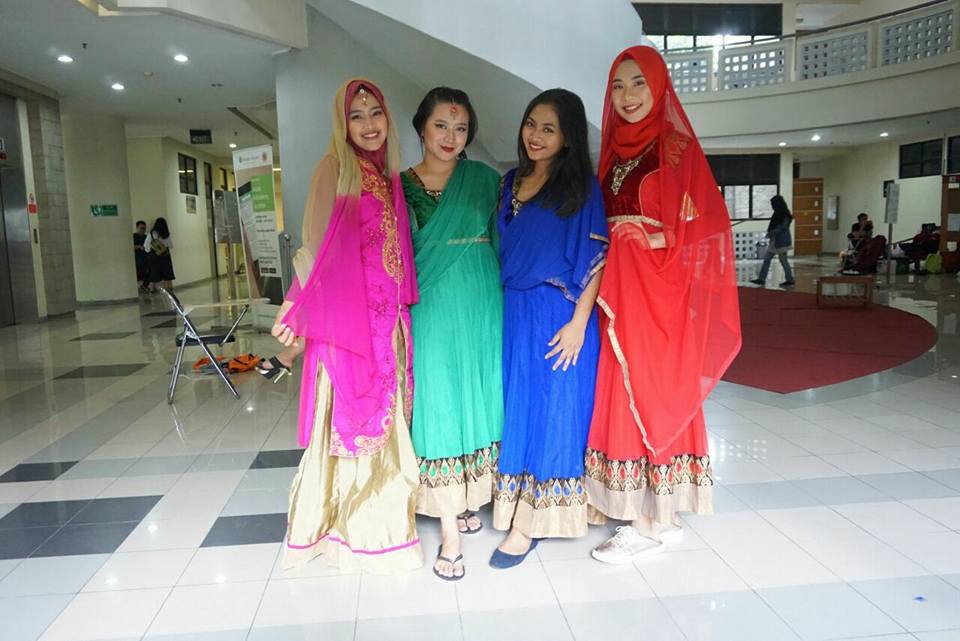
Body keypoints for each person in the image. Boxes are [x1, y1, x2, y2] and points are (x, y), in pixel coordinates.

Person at [585, 45, 741, 564]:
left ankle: (644, 524)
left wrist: (647, 241)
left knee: (651, 388)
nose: (627, 95)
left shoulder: (675, 148)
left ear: (658, 86)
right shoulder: (612, 152)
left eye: (638, 83)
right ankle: (661, 513)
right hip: (618, 288)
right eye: (617, 86)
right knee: (625, 384)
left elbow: (707, 224)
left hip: (657, 291)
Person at [272, 79, 422, 572]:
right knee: (350, 422)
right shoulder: (334, 168)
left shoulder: (386, 173)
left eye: (375, 113)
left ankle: (383, 522)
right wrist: (294, 306)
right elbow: (315, 246)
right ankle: (347, 529)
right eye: (356, 116)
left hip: (387, 323)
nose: (368, 124)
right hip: (349, 325)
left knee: (385, 419)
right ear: (342, 123)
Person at [491, 89, 609, 569]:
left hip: (560, 311)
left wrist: (580, 323)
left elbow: (597, 257)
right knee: (519, 402)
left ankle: (533, 521)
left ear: (568, 138)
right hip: (514, 310)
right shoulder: (509, 182)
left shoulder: (580, 187)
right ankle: (517, 500)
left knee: (555, 406)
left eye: (549, 129)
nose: (535, 136)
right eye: (530, 124)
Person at [401, 87, 503, 581]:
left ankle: (468, 497)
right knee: (439, 402)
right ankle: (449, 532)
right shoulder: (398, 187)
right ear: (421, 127)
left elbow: (505, 241)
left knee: (478, 395)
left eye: (461, 129)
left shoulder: (485, 180)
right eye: (441, 125)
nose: (450, 137)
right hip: (430, 306)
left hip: (483, 302)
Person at [750, 195, 795, 287]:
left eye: (773, 204)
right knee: (767, 259)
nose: (772, 206)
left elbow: (784, 227)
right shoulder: (777, 213)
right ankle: (761, 279)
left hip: (782, 241)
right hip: (775, 240)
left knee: (783, 261)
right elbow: (774, 225)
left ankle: (790, 280)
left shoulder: (785, 213)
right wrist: (771, 233)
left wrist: (771, 232)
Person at [145, 217, 175, 292]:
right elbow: (170, 246)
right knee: (167, 272)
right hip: (165, 256)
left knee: (154, 272)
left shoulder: (151, 234)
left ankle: (151, 288)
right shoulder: (166, 234)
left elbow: (146, 247)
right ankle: (169, 289)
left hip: (154, 256)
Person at [133, 220, 149, 292]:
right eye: (141, 228)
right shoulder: (133, 236)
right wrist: (139, 247)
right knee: (137, 276)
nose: (143, 230)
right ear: (137, 228)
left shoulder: (147, 237)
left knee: (148, 274)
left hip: (146, 259)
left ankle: (143, 287)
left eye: (144, 229)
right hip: (137, 260)